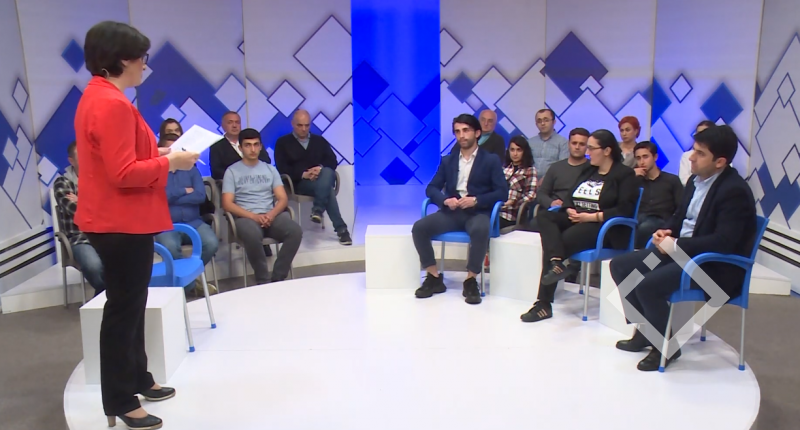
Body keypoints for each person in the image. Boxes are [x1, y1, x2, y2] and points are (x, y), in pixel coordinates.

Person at [75, 21, 200, 429]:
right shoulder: (110, 103)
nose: (145, 65)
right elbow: (124, 172)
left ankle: (138, 378)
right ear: (122, 59)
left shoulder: (101, 96)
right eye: (141, 58)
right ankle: (120, 399)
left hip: (120, 218)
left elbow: (123, 156)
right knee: (123, 310)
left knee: (132, 304)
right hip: (119, 221)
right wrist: (171, 162)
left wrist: (163, 153)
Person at [609, 125, 756, 371]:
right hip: (681, 254)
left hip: (711, 266)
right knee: (622, 267)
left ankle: (665, 348)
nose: (691, 157)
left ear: (720, 162)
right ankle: (646, 332)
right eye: (693, 150)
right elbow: (679, 217)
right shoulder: (694, 181)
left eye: (700, 153)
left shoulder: (734, 191)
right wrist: (666, 231)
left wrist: (676, 244)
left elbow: (724, 241)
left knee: (647, 285)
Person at [521, 129, 638, 323]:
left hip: (604, 227)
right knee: (545, 216)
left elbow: (625, 209)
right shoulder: (589, 170)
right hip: (578, 217)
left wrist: (591, 217)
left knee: (559, 241)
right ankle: (557, 263)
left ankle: (543, 303)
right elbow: (570, 198)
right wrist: (569, 210)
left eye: (591, 148)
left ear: (607, 151)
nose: (587, 153)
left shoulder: (624, 175)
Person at [411, 114, 507, 305]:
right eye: (457, 131)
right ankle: (434, 277)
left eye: (466, 130)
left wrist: (476, 200)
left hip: (477, 212)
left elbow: (502, 192)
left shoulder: (491, 160)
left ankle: (471, 280)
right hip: (452, 213)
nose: (461, 135)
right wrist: (445, 200)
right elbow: (431, 188)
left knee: (480, 228)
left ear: (477, 133)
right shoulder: (448, 160)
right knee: (419, 228)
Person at [222, 128, 303, 284]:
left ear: (260, 146)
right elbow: (227, 204)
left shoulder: (270, 169)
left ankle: (278, 277)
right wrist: (254, 217)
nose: (252, 149)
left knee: (295, 231)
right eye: (248, 145)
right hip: (246, 217)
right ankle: (263, 280)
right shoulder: (232, 171)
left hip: (271, 216)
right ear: (240, 147)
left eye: (256, 145)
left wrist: (271, 214)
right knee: (251, 234)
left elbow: (282, 198)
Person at [275, 109, 352, 245]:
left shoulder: (319, 141)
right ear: (292, 124)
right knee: (327, 189)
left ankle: (318, 210)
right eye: (300, 125)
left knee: (327, 172)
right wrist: (303, 174)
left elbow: (332, 161)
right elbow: (282, 168)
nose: (304, 129)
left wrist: (319, 169)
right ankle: (341, 229)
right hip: (300, 183)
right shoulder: (282, 143)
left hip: (321, 178)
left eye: (307, 125)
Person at [155, 133, 219, 295]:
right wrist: (184, 191)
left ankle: (187, 280)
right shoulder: (156, 172)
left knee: (211, 243)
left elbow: (200, 196)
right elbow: (160, 199)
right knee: (169, 248)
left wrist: (172, 196)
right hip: (167, 225)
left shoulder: (192, 170)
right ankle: (189, 285)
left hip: (194, 222)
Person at [52, 142, 105, 296]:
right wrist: (96, 204)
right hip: (80, 237)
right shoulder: (62, 183)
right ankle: (108, 296)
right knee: (94, 266)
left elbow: (112, 207)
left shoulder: (101, 179)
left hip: (104, 233)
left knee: (127, 259)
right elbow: (74, 210)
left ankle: (107, 298)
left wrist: (81, 200)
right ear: (71, 161)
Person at [526, 127, 591, 231]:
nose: (577, 147)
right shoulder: (556, 167)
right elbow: (541, 193)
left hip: (580, 215)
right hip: (555, 212)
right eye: (574, 143)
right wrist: (551, 202)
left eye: (582, 144)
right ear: (568, 144)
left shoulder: (592, 169)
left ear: (587, 147)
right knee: (535, 224)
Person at [632, 141, 683, 248]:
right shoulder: (635, 181)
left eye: (645, 157)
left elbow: (681, 208)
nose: (642, 162)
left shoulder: (671, 180)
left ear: (655, 157)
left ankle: (642, 256)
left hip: (661, 220)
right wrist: (630, 176)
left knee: (645, 227)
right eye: (638, 158)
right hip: (639, 218)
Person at [209, 111, 271, 180]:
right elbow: (216, 171)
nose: (234, 126)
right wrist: (238, 175)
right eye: (230, 122)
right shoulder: (216, 146)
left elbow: (266, 161)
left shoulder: (251, 139)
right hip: (233, 182)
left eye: (237, 122)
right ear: (222, 126)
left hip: (259, 179)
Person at [499, 135, 537, 230]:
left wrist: (514, 202)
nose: (515, 154)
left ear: (524, 152)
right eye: (512, 150)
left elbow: (531, 195)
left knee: (489, 224)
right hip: (496, 209)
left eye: (518, 150)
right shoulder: (503, 169)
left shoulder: (530, 170)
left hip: (511, 214)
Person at [528, 108, 568, 179]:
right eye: (539, 121)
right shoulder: (529, 142)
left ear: (554, 122)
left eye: (546, 120)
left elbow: (562, 167)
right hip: (530, 180)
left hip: (553, 181)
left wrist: (546, 179)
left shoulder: (563, 142)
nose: (542, 123)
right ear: (536, 124)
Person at [679, 120, 716, 184]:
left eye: (705, 133)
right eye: (699, 133)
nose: (691, 158)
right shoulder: (687, 156)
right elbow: (683, 179)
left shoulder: (720, 156)